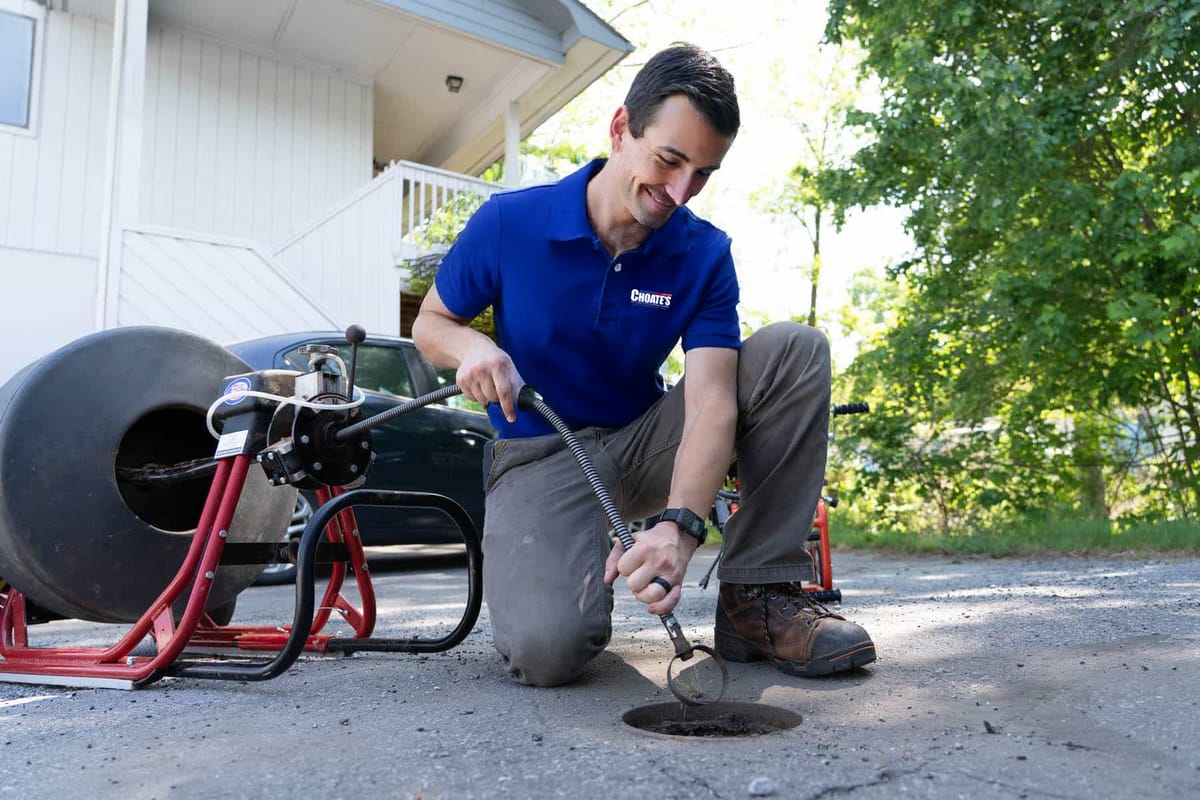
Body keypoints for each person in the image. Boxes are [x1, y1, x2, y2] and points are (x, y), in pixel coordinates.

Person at [412, 43, 875, 687]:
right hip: (541, 451)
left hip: (644, 442)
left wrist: (680, 528)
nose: (680, 193)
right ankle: (568, 563)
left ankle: (757, 599)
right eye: (669, 160)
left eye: (703, 174)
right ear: (621, 127)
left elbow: (712, 399)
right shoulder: (508, 224)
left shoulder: (704, 254)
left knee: (793, 349)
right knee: (548, 653)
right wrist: (472, 346)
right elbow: (430, 324)